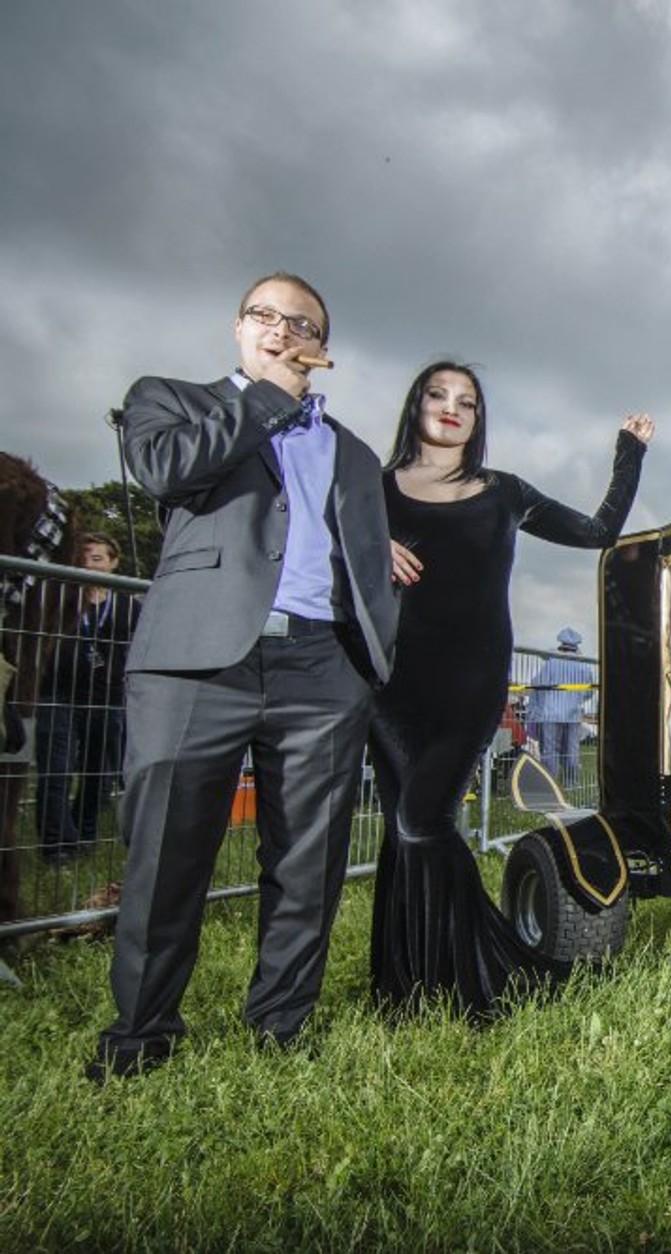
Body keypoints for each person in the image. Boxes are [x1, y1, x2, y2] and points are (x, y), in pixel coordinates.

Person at [93, 273, 398, 1082]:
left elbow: (366, 559)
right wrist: (267, 397)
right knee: (168, 852)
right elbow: (165, 473)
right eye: (265, 316)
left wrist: (369, 656)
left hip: (322, 669)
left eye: (300, 323)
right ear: (238, 328)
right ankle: (142, 1033)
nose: (281, 329)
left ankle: (280, 1025)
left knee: (309, 857)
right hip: (198, 661)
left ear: (323, 347)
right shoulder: (170, 401)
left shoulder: (356, 453)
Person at [372, 360, 652, 1019]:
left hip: (471, 679)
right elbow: (312, 536)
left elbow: (597, 532)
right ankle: (406, 988)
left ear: (478, 418)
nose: (451, 407)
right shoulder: (374, 490)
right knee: (398, 828)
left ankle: (484, 967)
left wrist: (628, 455)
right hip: (389, 680)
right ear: (415, 405)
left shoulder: (504, 491)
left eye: (466, 401)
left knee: (423, 820)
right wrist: (367, 544)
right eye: (438, 395)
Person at [34, 533, 140, 861]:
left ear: (113, 563)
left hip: (107, 700)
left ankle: (84, 837)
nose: (88, 563)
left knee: (99, 774)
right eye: (83, 557)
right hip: (58, 695)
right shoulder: (59, 599)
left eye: (97, 558)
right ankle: (56, 845)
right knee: (56, 771)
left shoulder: (127, 607)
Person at [530, 627, 595, 787]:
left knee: (550, 751)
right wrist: (576, 699)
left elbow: (537, 685)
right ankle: (571, 783)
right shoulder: (584, 667)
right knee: (572, 750)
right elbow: (589, 693)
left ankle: (550, 784)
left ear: (561, 645)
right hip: (572, 715)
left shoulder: (551, 664)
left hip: (550, 714)